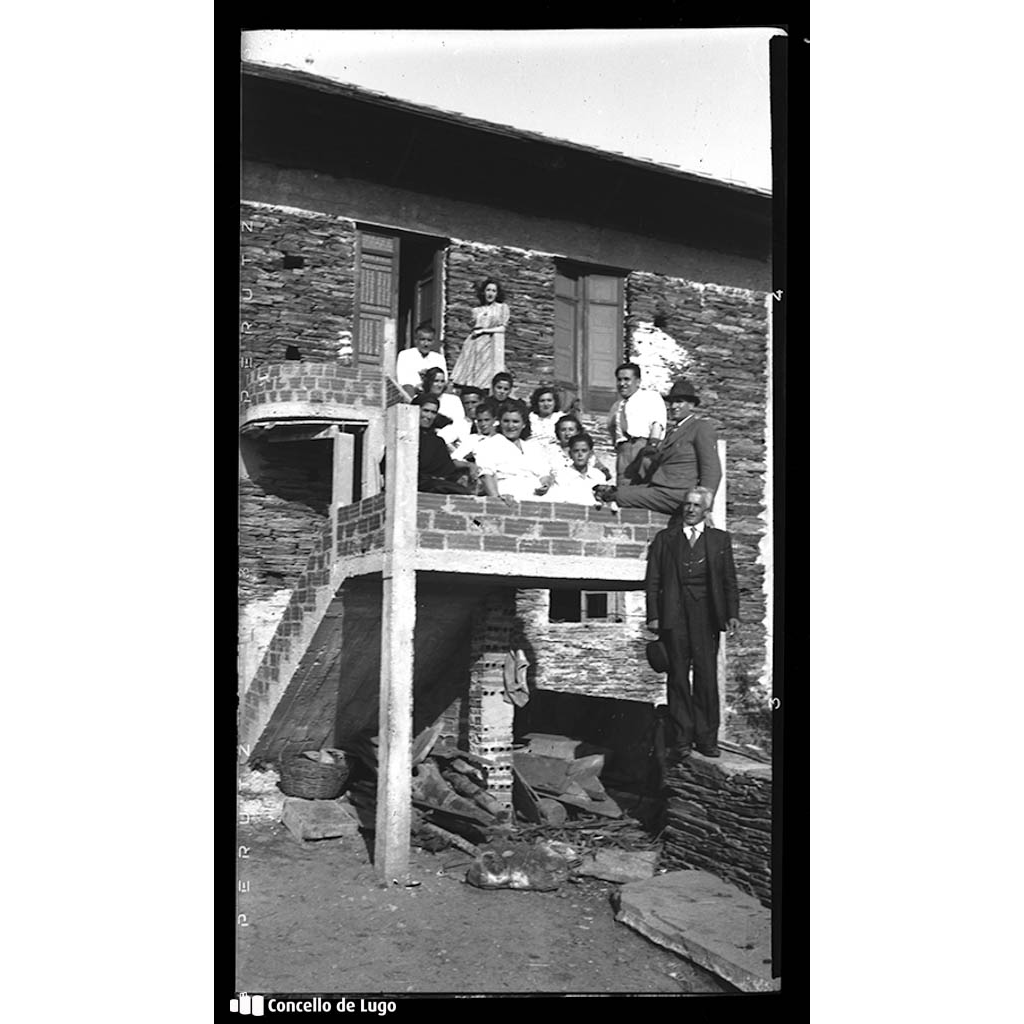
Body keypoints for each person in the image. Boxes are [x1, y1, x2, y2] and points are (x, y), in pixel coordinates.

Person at [645, 487, 739, 759]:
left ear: (705, 510)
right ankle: (682, 738)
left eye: (696, 506)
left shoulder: (720, 540)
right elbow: (653, 580)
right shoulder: (666, 539)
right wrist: (653, 615)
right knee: (677, 675)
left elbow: (729, 580)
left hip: (706, 615)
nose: (690, 509)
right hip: (674, 614)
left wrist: (732, 612)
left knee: (706, 676)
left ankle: (707, 738)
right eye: (687, 504)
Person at [595, 378, 722, 514]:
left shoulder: (700, 428)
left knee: (618, 496)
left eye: (679, 402)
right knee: (612, 490)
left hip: (680, 494)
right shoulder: (671, 432)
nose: (673, 407)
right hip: (660, 489)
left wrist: (705, 505)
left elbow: (712, 470)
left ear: (691, 405)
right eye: (672, 402)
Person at [476, 400, 555, 504]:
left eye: (515, 422)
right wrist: (496, 500)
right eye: (506, 421)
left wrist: (545, 485)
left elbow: (544, 474)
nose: (510, 426)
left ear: (523, 424)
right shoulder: (489, 444)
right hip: (509, 494)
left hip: (537, 495)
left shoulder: (532, 447)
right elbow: (486, 475)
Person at [607, 362, 666, 484]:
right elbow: (611, 428)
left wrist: (652, 447)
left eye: (627, 379)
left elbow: (657, 423)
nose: (622, 384)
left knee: (644, 486)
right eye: (619, 380)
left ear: (638, 381)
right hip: (624, 451)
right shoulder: (616, 405)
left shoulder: (650, 397)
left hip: (643, 447)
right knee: (624, 488)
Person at [451, 277, 510, 389]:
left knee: (487, 375)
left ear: (497, 293)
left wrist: (484, 330)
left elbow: (502, 328)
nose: (490, 293)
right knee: (473, 373)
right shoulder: (477, 311)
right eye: (488, 290)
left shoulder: (501, 308)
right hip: (475, 343)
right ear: (483, 292)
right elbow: (472, 327)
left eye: (493, 291)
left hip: (490, 343)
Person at [411, 394, 474, 494]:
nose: (429, 416)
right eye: (426, 411)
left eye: (433, 412)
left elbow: (446, 469)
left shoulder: (437, 441)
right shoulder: (404, 436)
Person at [546, 433, 607, 505]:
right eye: (576, 451)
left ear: (590, 453)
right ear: (570, 454)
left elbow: (606, 502)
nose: (580, 455)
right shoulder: (561, 476)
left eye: (584, 451)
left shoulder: (599, 476)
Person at [553, 414, 613, 480]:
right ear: (558, 432)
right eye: (563, 430)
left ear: (577, 431)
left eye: (571, 429)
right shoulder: (551, 451)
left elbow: (604, 472)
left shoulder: (586, 451)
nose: (567, 433)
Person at [396, 324, 447, 397]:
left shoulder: (439, 358)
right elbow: (403, 380)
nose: (426, 344)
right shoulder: (405, 355)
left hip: (434, 395)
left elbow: (443, 380)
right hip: (413, 393)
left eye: (429, 340)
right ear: (416, 340)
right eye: (422, 339)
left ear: (433, 342)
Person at [419, 367, 466, 443]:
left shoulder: (454, 400)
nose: (439, 385)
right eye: (436, 381)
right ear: (429, 382)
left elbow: (459, 424)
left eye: (442, 381)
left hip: (450, 439)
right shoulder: (419, 399)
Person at [444, 386, 484, 456]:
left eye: (474, 402)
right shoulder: (457, 424)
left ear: (482, 402)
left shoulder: (491, 424)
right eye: (466, 403)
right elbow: (442, 440)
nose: (470, 406)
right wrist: (459, 454)